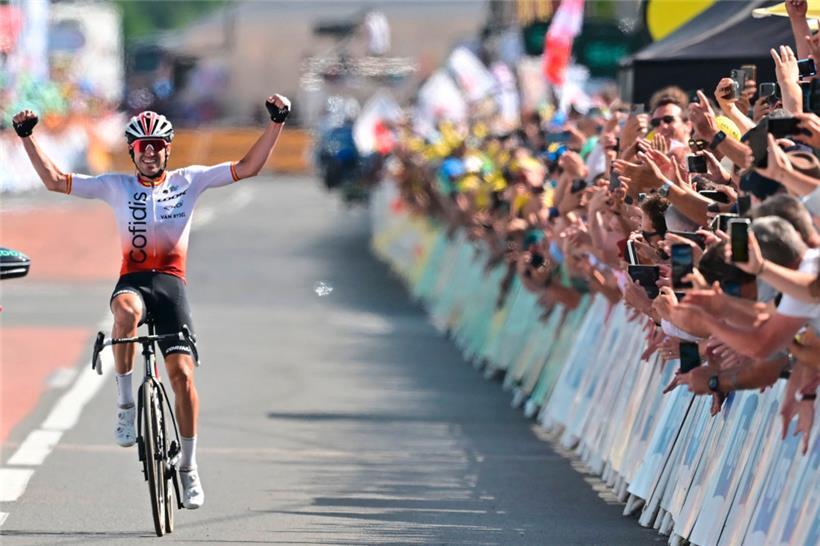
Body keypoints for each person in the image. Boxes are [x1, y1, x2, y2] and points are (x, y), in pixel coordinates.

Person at [11, 93, 291, 509]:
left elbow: (248, 167)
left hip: (172, 288)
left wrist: (277, 123)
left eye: (157, 146)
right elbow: (54, 180)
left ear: (167, 149)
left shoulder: (189, 180)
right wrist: (27, 136)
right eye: (143, 147)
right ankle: (126, 406)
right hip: (134, 282)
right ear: (133, 151)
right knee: (124, 312)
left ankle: (189, 469)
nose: (150, 153)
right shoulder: (115, 185)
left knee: (182, 379)